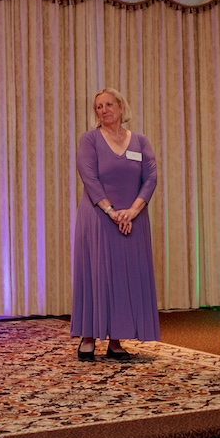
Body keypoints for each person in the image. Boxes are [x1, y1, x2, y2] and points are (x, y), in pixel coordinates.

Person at [70, 88, 159, 361]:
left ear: (121, 107)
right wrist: (112, 212)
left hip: (132, 219)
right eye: (99, 106)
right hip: (98, 217)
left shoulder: (140, 141)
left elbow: (151, 177)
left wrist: (132, 212)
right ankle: (88, 336)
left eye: (109, 104)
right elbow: (89, 177)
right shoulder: (90, 139)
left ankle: (116, 340)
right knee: (96, 275)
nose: (104, 110)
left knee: (123, 277)